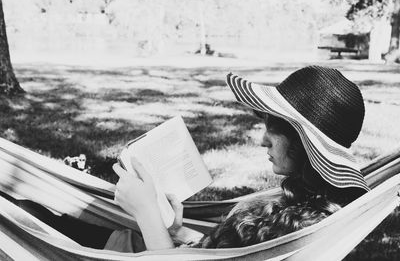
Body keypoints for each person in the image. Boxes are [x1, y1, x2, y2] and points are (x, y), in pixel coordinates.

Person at [12, 65, 369, 252]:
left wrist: (147, 214)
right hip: (154, 244)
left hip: (135, 254)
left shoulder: (298, 229)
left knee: (24, 217)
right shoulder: (308, 205)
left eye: (274, 128)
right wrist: (173, 228)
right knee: (28, 204)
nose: (262, 139)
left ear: (304, 142)